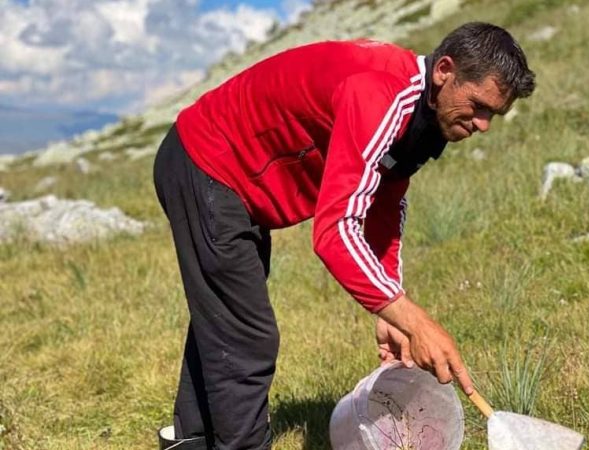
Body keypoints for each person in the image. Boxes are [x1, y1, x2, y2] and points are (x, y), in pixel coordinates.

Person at [152, 21, 535, 449]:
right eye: (479, 106)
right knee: (247, 337)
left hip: (232, 180)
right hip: (207, 161)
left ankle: (191, 440)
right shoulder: (380, 94)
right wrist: (414, 321)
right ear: (445, 70)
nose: (483, 124)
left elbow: (383, 202)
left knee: (226, 319)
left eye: (493, 115)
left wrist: (391, 310)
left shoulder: (423, 117)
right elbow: (335, 230)